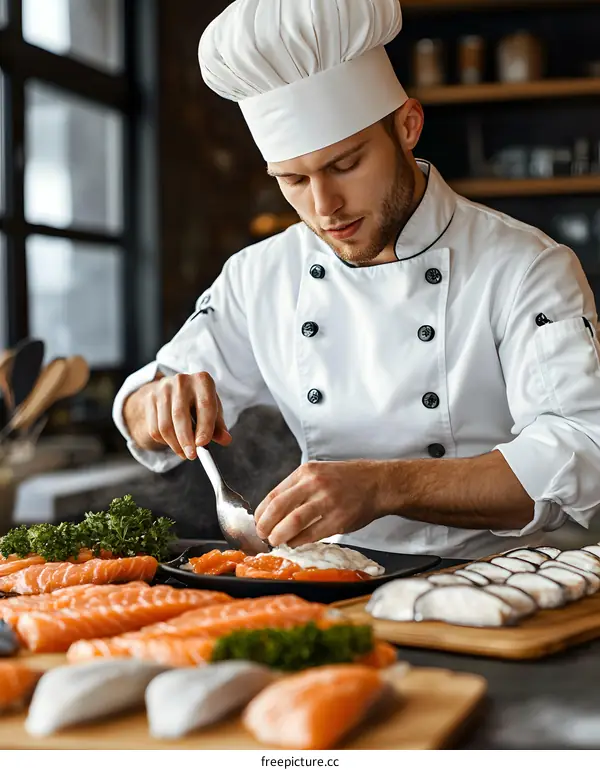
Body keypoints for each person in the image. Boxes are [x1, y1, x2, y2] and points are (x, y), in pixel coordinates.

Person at [113, 0, 600, 559]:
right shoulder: (259, 275)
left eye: (345, 165)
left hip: (491, 589)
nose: (325, 208)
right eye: (293, 180)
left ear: (408, 125)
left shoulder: (525, 267)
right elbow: (139, 407)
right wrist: (157, 403)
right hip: (329, 577)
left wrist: (386, 486)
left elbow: (582, 451)